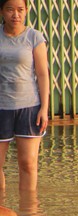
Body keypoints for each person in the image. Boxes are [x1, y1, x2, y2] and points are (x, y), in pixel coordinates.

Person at [0, 0, 49, 192]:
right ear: (2, 11)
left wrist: (44, 108)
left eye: (20, 10)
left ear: (26, 11)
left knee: (28, 164)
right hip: (1, 107)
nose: (15, 15)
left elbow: (43, 74)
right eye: (10, 10)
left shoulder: (34, 37)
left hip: (29, 107)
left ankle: (29, 214)